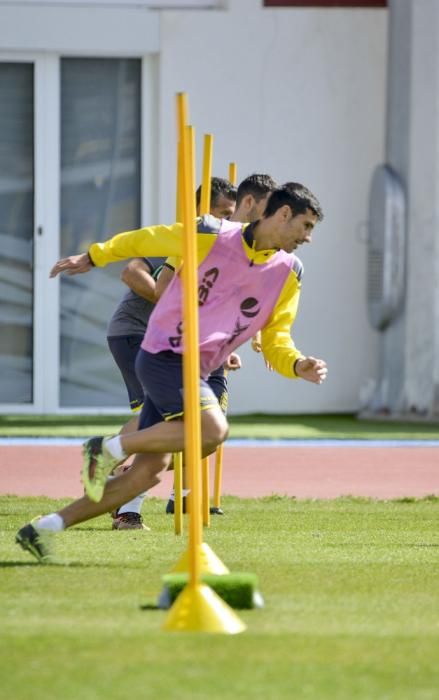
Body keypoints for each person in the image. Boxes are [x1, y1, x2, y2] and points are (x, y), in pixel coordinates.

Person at [16, 182, 328, 563]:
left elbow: (276, 337)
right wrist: (94, 257)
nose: (308, 238)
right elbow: (143, 241)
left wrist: (297, 364)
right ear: (282, 214)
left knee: (143, 477)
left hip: (197, 368)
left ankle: (42, 528)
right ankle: (106, 447)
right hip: (164, 353)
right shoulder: (209, 232)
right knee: (213, 431)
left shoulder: (289, 272)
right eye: (306, 226)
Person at [106, 177, 237, 529]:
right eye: (221, 212)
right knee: (163, 423)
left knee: (179, 425)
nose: (226, 221)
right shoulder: (182, 235)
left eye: (231, 215)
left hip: (169, 343)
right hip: (135, 333)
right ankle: (119, 486)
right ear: (199, 210)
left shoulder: (222, 248)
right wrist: (176, 311)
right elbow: (131, 273)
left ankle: (119, 468)